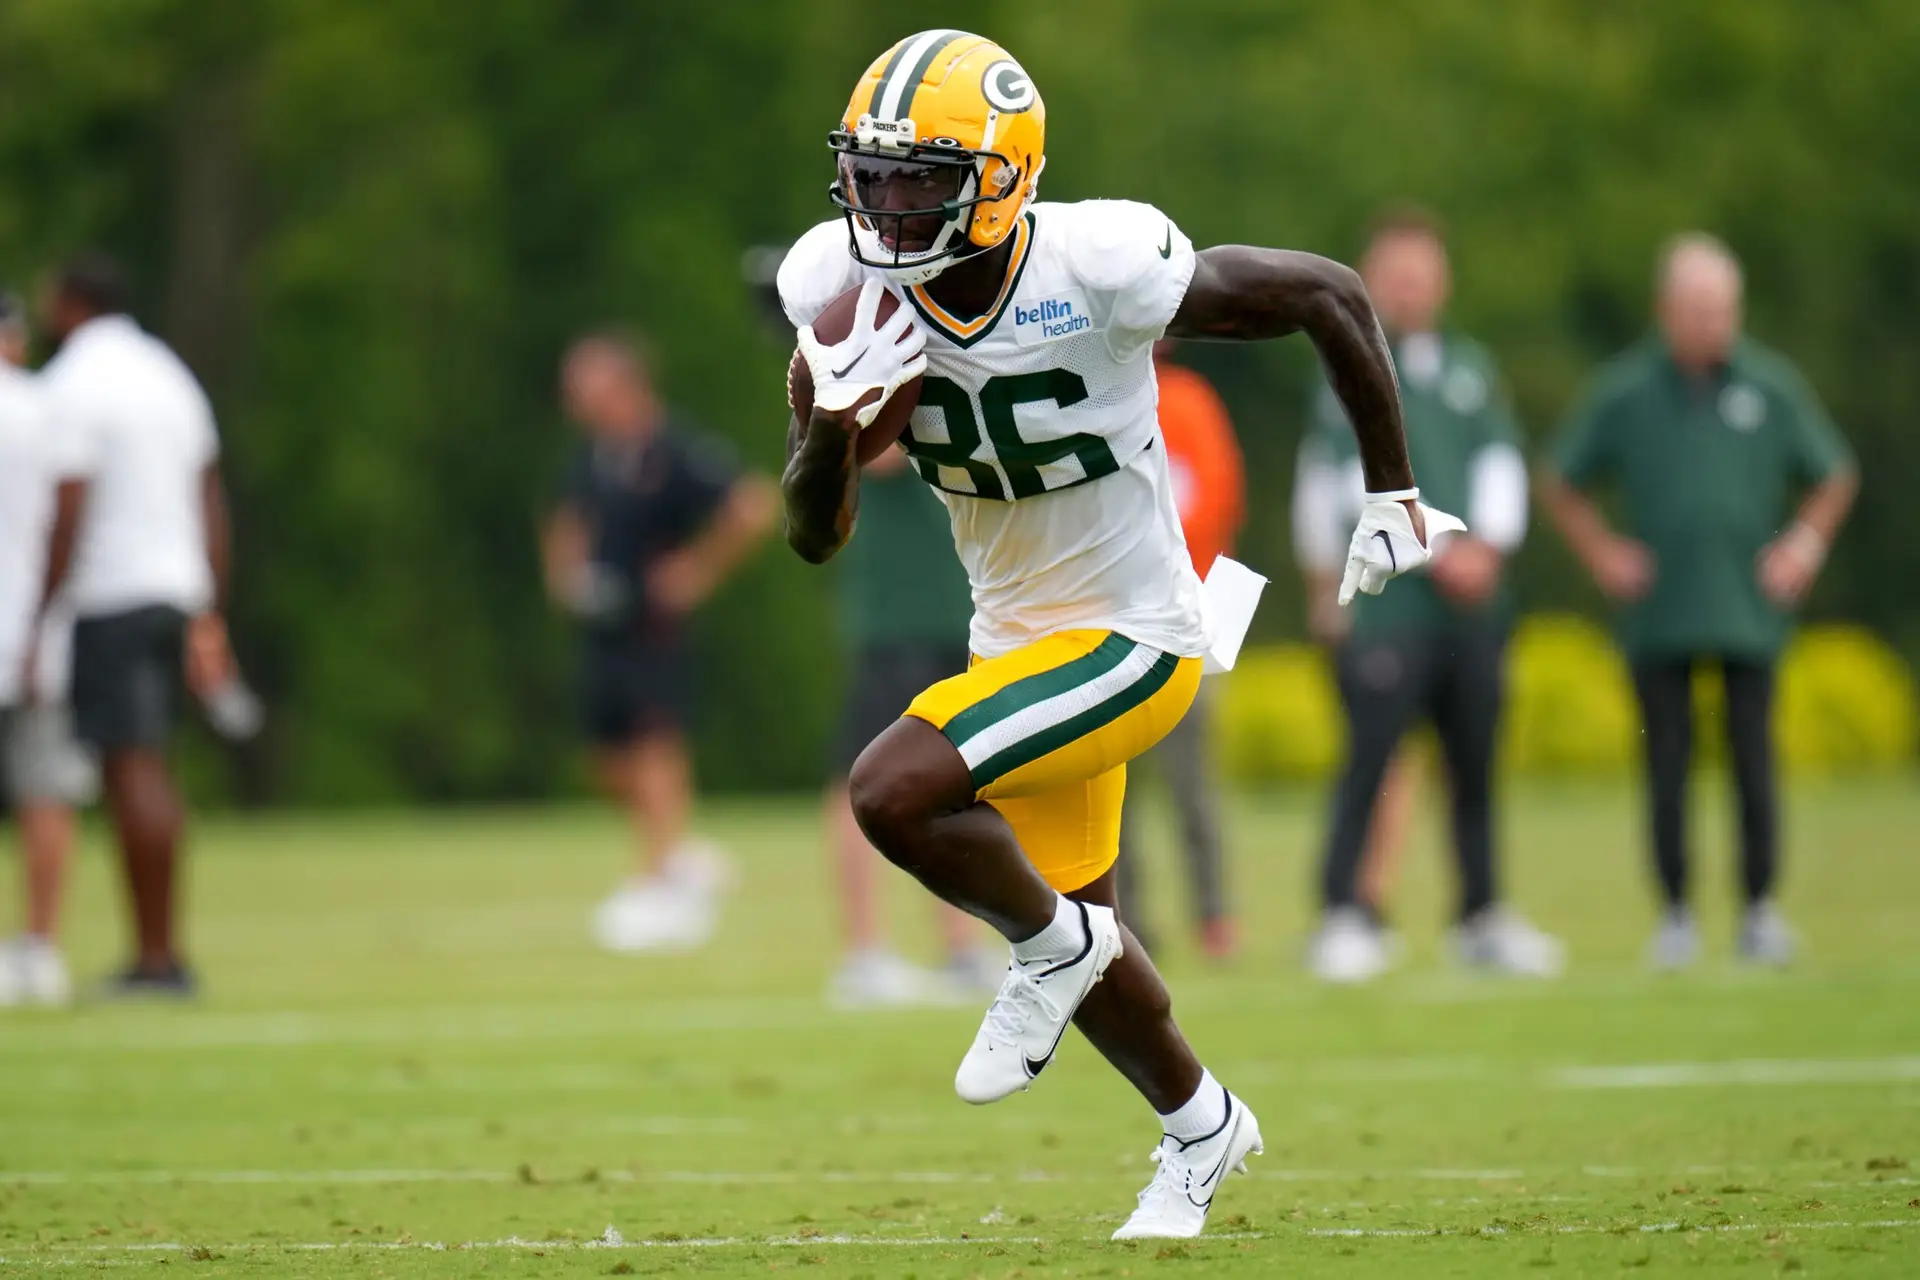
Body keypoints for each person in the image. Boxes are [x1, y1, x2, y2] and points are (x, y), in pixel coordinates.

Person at [778, 31, 1456, 1239]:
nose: (886, 205)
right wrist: (831, 425)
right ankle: (1203, 1125)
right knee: (1090, 955)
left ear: (1001, 178)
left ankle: (1050, 942)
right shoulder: (838, 288)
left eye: (920, 175)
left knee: (889, 791)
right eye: (871, 174)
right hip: (1018, 648)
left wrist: (1388, 485)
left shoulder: (1096, 262)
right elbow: (814, 533)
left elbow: (1326, 292)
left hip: (1138, 639)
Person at [1539, 234, 1857, 969]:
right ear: (1667, 311)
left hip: (1748, 609)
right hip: (1662, 611)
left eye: (1723, 309)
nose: (1715, 323)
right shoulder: (1628, 391)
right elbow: (1560, 476)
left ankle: (1759, 908)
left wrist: (1803, 544)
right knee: (1667, 763)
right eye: (1700, 309)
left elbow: (1834, 472)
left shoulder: (1768, 386)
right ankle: (1676, 911)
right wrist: (1604, 552)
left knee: (1753, 761)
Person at [1293, 210, 1562, 984]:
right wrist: (1442, 553)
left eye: (1422, 271)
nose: (1410, 286)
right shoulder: (1351, 360)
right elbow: (1344, 482)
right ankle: (1345, 913)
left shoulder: (1470, 369)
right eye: (1395, 272)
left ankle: (1481, 914)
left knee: (1473, 763)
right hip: (1391, 606)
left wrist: (1490, 551)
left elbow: (1501, 463)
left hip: (1471, 610)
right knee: (1371, 761)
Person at [30, 253, 236, 996]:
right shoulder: (168, 374)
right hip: (176, 591)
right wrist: (209, 605)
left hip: (111, 592)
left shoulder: (75, 383)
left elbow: (68, 504)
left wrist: (39, 602)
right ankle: (157, 951)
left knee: (132, 767)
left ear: (68, 305)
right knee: (145, 764)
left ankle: (157, 958)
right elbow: (209, 495)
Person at [542, 331, 777, 952]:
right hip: (602, 627)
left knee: (655, 744)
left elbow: (750, 504)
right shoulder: (595, 454)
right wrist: (564, 575)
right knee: (607, 761)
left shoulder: (674, 448)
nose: (574, 396)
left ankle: (658, 883)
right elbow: (567, 517)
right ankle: (681, 856)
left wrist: (695, 571)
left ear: (624, 384)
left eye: (585, 382)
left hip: (653, 627)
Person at [820, 442, 1000, 1006]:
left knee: (957, 790)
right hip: (899, 626)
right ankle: (865, 953)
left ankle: (960, 947)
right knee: (857, 783)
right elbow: (876, 450)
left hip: (959, 618)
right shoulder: (876, 376)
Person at [1114, 340, 1244, 960]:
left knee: (1192, 780)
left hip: (1178, 615)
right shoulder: (1090, 390)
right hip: (1104, 619)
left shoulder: (1188, 401)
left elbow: (1215, 498)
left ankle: (1214, 916)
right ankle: (1124, 919)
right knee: (1111, 785)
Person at [0, 291, 95, 1006]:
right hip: (34, 629)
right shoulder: (43, 411)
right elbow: (71, 517)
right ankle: (39, 946)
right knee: (44, 792)